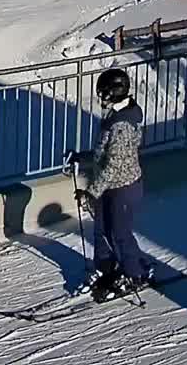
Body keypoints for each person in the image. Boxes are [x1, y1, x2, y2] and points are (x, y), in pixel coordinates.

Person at [72, 67, 148, 301]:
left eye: (104, 93)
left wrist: (90, 193)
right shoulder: (116, 115)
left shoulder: (121, 125)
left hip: (123, 189)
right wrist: (82, 156)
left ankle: (134, 274)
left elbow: (113, 166)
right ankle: (106, 267)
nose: (100, 98)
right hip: (109, 187)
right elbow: (105, 153)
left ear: (115, 92)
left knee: (120, 234)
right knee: (101, 230)